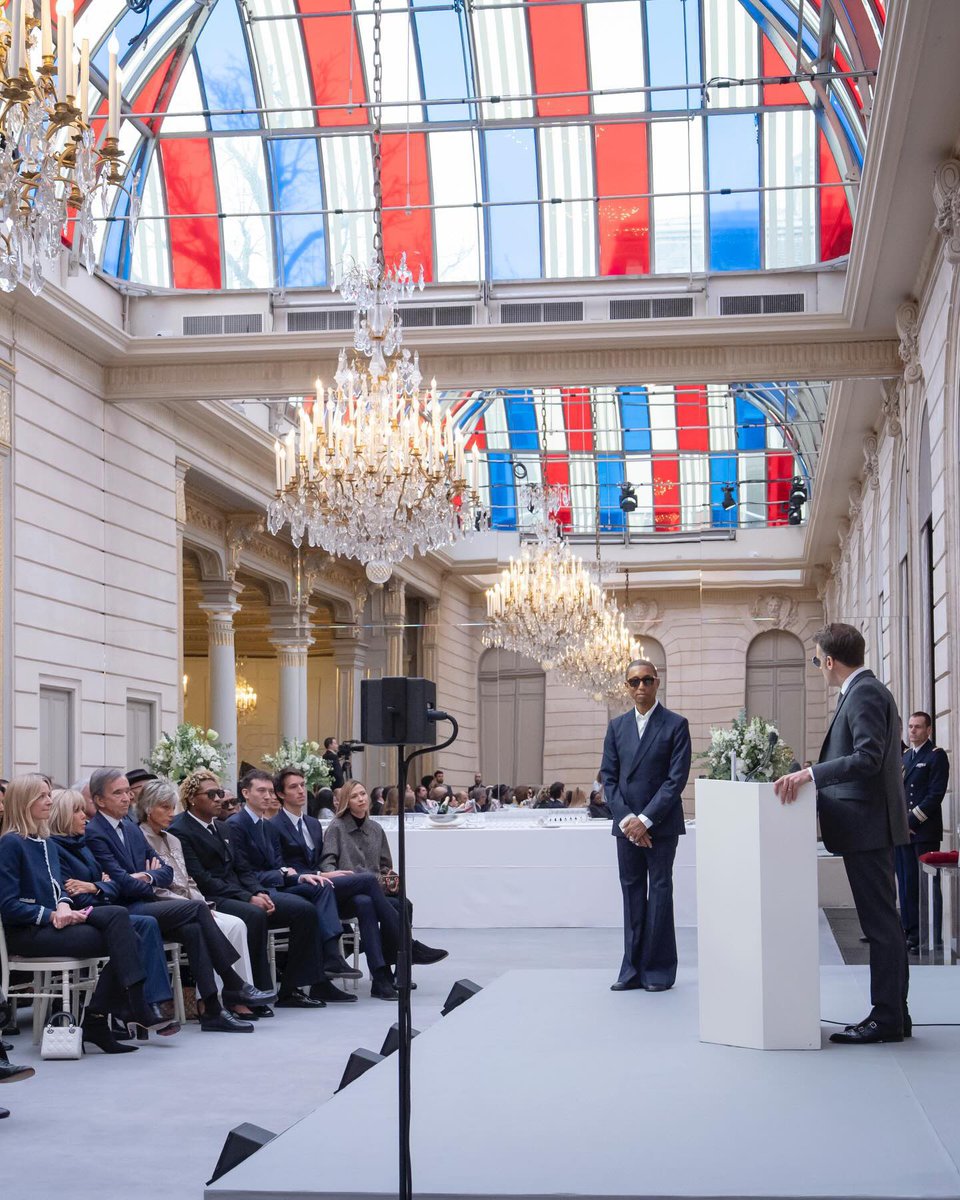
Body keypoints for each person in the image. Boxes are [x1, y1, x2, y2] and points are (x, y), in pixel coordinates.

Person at [775, 623, 911, 1044]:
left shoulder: (864, 693)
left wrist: (810, 774)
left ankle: (887, 1017)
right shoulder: (864, 691)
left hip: (867, 826)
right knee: (882, 922)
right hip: (866, 825)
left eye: (817, 660)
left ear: (829, 661)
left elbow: (868, 758)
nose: (818, 667)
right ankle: (895, 1015)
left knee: (880, 924)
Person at [85, 768, 271, 1032]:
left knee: (194, 929)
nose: (126, 798)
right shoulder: (96, 831)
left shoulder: (128, 827)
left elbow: (166, 871)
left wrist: (146, 875)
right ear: (99, 800)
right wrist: (147, 877)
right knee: (196, 907)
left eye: (127, 791)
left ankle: (213, 1010)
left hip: (146, 900)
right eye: (118, 793)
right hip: (126, 906)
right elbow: (121, 882)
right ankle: (233, 982)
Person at [0, 774, 166, 1054]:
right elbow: (7, 905)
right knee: (130, 939)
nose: (49, 800)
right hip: (28, 933)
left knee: (121, 922)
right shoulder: (11, 844)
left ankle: (109, 1014)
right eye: (42, 796)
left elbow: (60, 889)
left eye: (49, 794)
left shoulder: (47, 842)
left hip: (56, 923)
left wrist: (63, 905)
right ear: (23, 801)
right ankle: (114, 1013)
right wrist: (51, 915)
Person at [169, 770, 332, 1010]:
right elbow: (201, 878)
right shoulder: (182, 829)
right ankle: (259, 990)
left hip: (235, 891)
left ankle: (291, 987)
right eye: (212, 794)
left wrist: (258, 892)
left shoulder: (221, 827)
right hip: (210, 896)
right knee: (254, 914)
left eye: (220, 793)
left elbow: (242, 869)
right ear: (193, 798)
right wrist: (248, 897)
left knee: (304, 911)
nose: (219, 799)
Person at [48, 788, 180, 1035]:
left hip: (105, 909)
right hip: (84, 915)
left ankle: (149, 1003)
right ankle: (131, 1008)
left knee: (147, 924)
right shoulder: (56, 848)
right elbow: (73, 893)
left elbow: (111, 884)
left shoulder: (82, 844)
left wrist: (96, 886)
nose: (84, 817)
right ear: (62, 815)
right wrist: (101, 886)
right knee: (133, 932)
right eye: (77, 811)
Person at [271, 768, 403, 1000]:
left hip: (322, 883)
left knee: (365, 902)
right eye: (293, 787)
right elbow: (279, 865)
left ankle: (380, 977)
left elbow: (321, 862)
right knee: (367, 880)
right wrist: (322, 874)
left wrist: (324, 874)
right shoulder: (275, 824)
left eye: (302, 784)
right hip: (296, 885)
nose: (301, 790)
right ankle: (407, 942)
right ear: (281, 794)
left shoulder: (312, 824)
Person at [600, 658, 691, 993]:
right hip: (626, 826)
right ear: (627, 686)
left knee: (660, 893)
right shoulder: (616, 727)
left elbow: (675, 780)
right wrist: (627, 820)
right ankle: (631, 968)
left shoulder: (676, 725)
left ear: (657, 682)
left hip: (661, 824)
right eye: (634, 681)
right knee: (632, 893)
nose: (640, 687)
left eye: (647, 680)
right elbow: (608, 779)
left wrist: (646, 820)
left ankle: (659, 969)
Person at [136, 780, 255, 992]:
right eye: (164, 807)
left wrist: (202, 904)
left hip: (193, 904)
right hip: (165, 906)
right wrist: (193, 908)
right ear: (147, 808)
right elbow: (155, 887)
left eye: (172, 807)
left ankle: (241, 995)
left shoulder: (173, 839)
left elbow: (188, 879)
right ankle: (220, 996)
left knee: (236, 924)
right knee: (221, 926)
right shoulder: (139, 839)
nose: (171, 813)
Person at [321, 781, 448, 967]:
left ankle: (400, 969)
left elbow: (385, 865)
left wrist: (389, 878)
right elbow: (327, 865)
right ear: (346, 801)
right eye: (354, 796)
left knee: (404, 904)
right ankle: (410, 948)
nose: (361, 799)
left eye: (363, 793)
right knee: (370, 903)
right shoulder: (336, 828)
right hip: (350, 894)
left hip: (376, 891)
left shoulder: (375, 829)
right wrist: (344, 876)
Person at [895, 712, 949, 952]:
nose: (912, 731)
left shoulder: (936, 756)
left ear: (928, 730)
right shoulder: (906, 757)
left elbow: (935, 795)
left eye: (918, 727)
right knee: (906, 883)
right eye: (910, 727)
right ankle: (911, 932)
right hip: (903, 831)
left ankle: (930, 935)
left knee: (925, 886)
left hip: (923, 832)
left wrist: (911, 821)